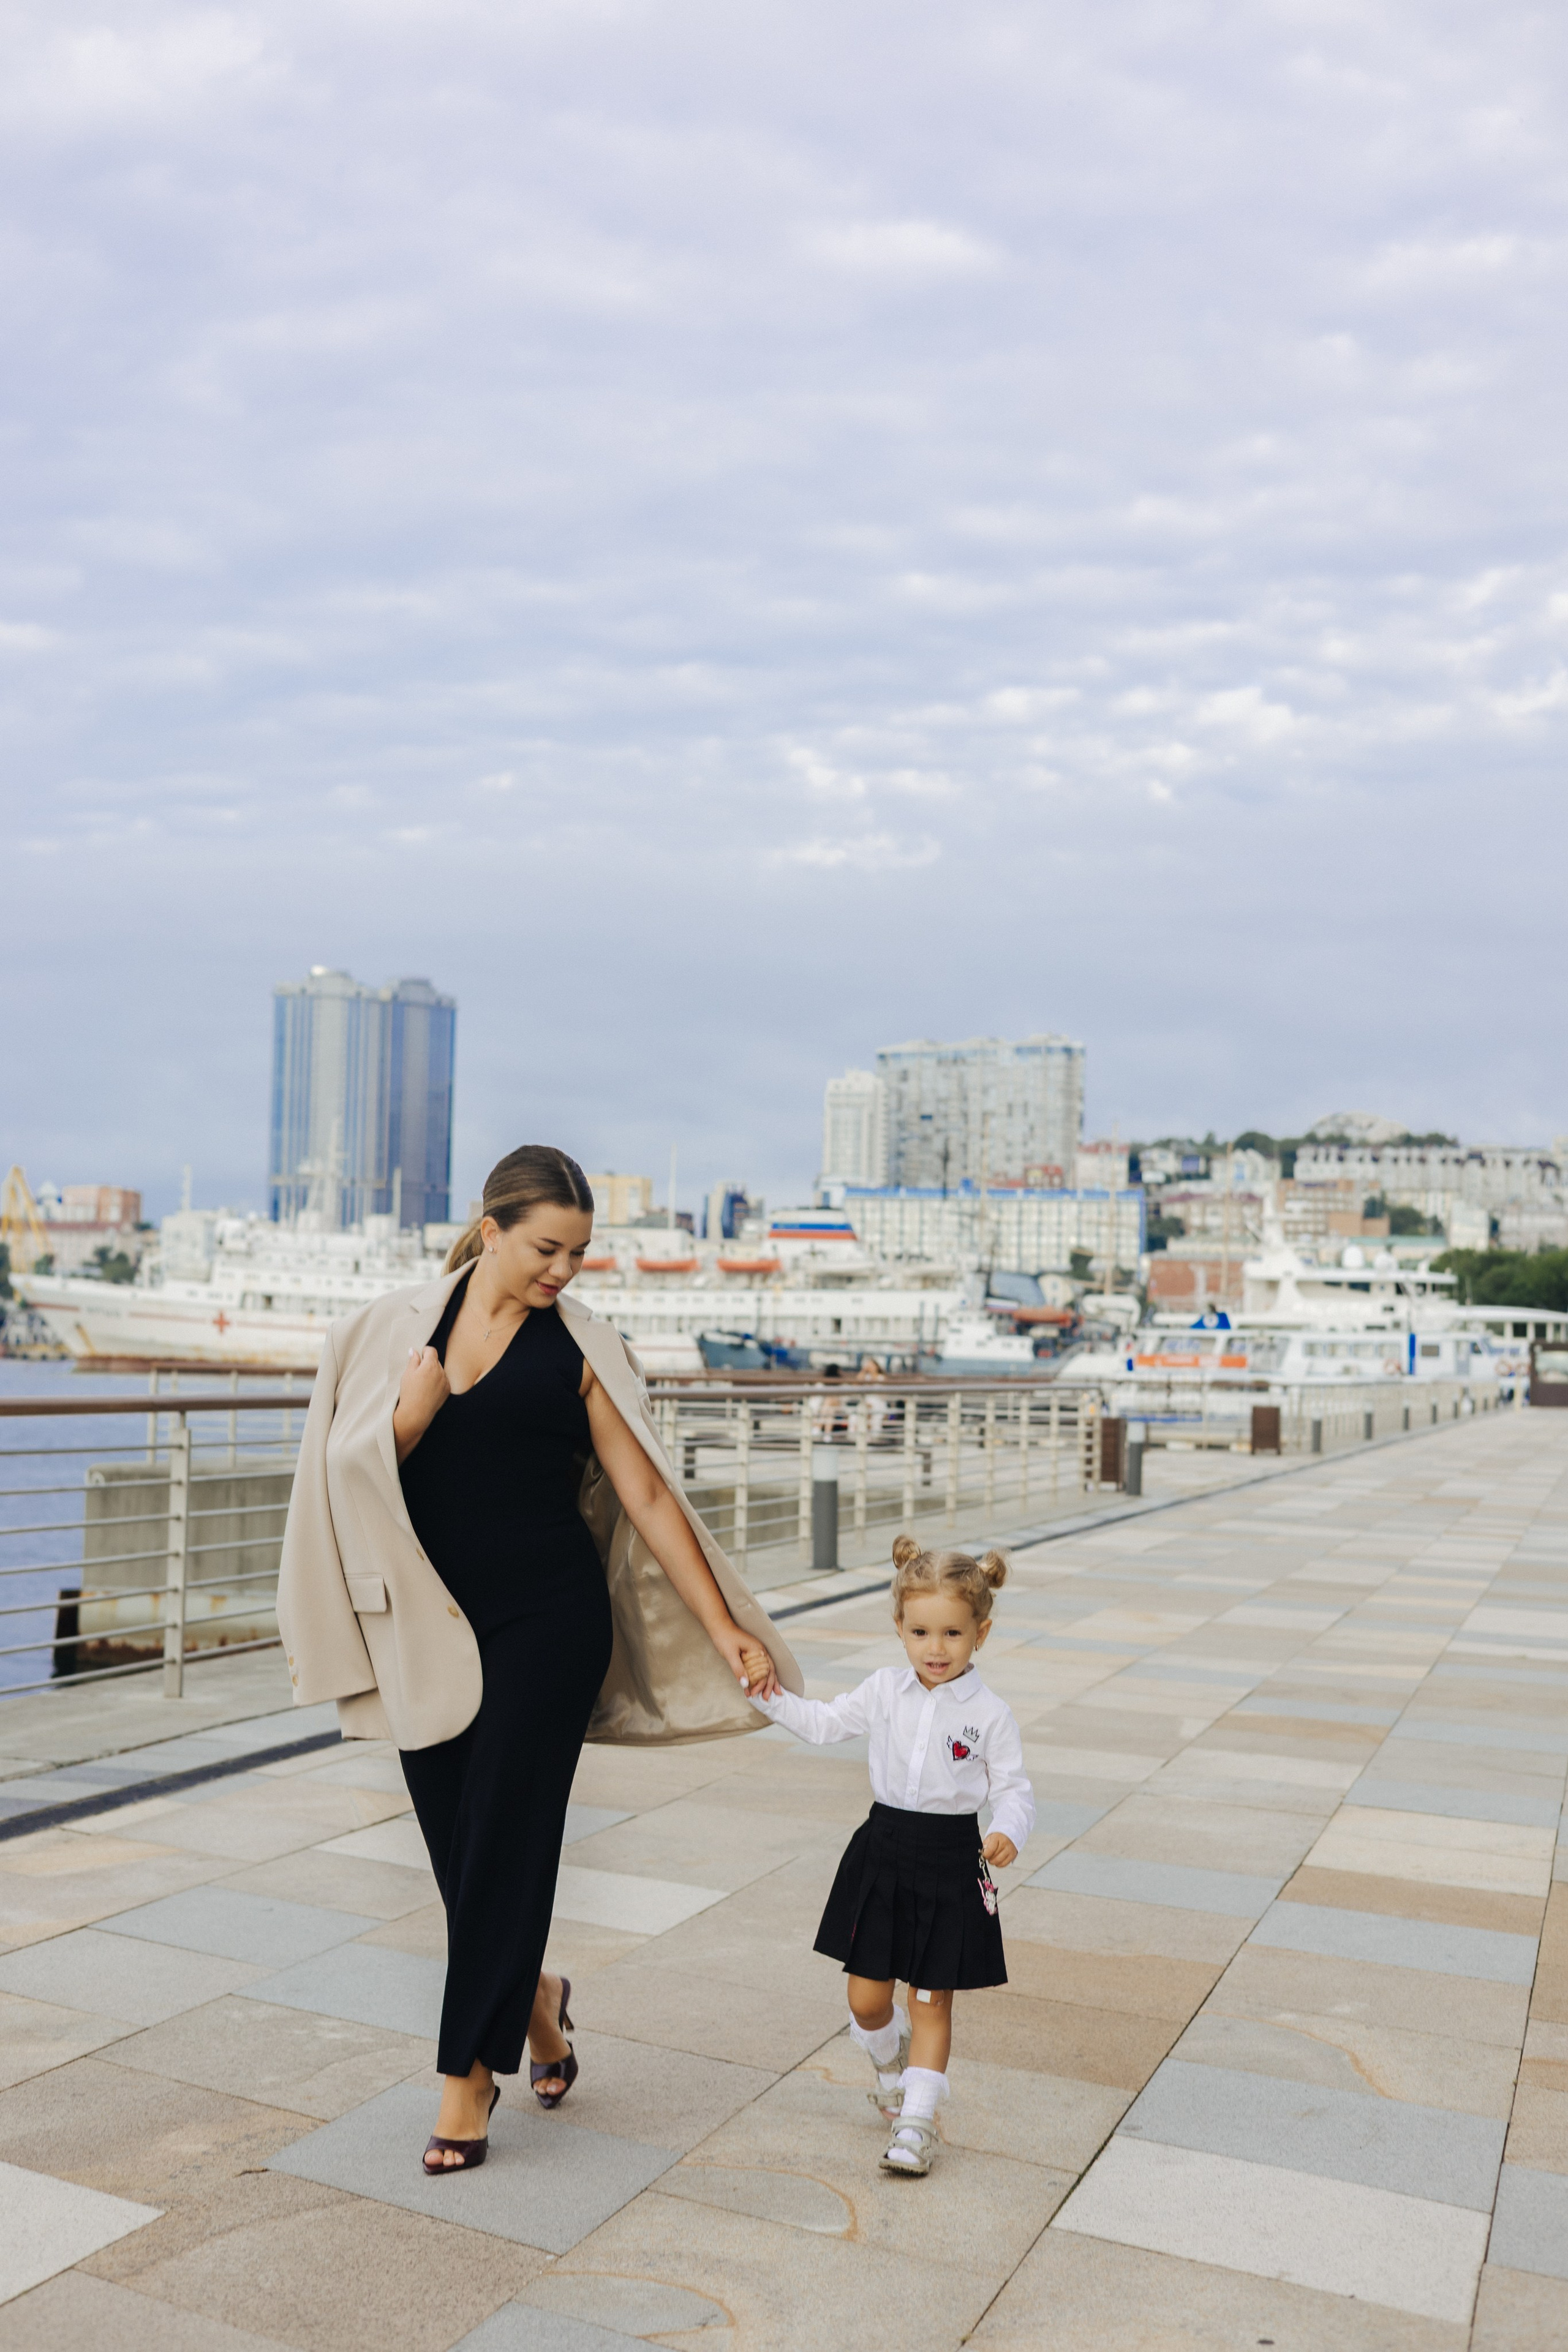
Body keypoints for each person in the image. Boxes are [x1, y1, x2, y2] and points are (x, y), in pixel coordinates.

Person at [277, 1145, 799, 2177]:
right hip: (425, 1625)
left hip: (549, 1622)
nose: (564, 1270)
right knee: (461, 1855)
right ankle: (541, 2010)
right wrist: (411, 1416)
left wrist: (727, 1625)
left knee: (508, 1837)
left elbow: (647, 1496)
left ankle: (465, 2085)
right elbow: (339, 1478)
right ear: (492, 1226)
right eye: (548, 1248)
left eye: (580, 1253)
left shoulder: (581, 1351)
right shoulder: (390, 1332)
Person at [741, 1536, 1033, 2176]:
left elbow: (1013, 1788)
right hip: (882, 1852)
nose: (936, 1648)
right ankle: (886, 2056)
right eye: (921, 1631)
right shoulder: (882, 1691)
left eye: (952, 1633)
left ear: (979, 1634)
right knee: (867, 2001)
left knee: (932, 2000)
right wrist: (766, 1694)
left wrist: (1009, 1827)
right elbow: (822, 1723)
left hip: (951, 1859)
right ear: (898, 1627)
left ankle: (916, 2122)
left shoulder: (990, 1714)